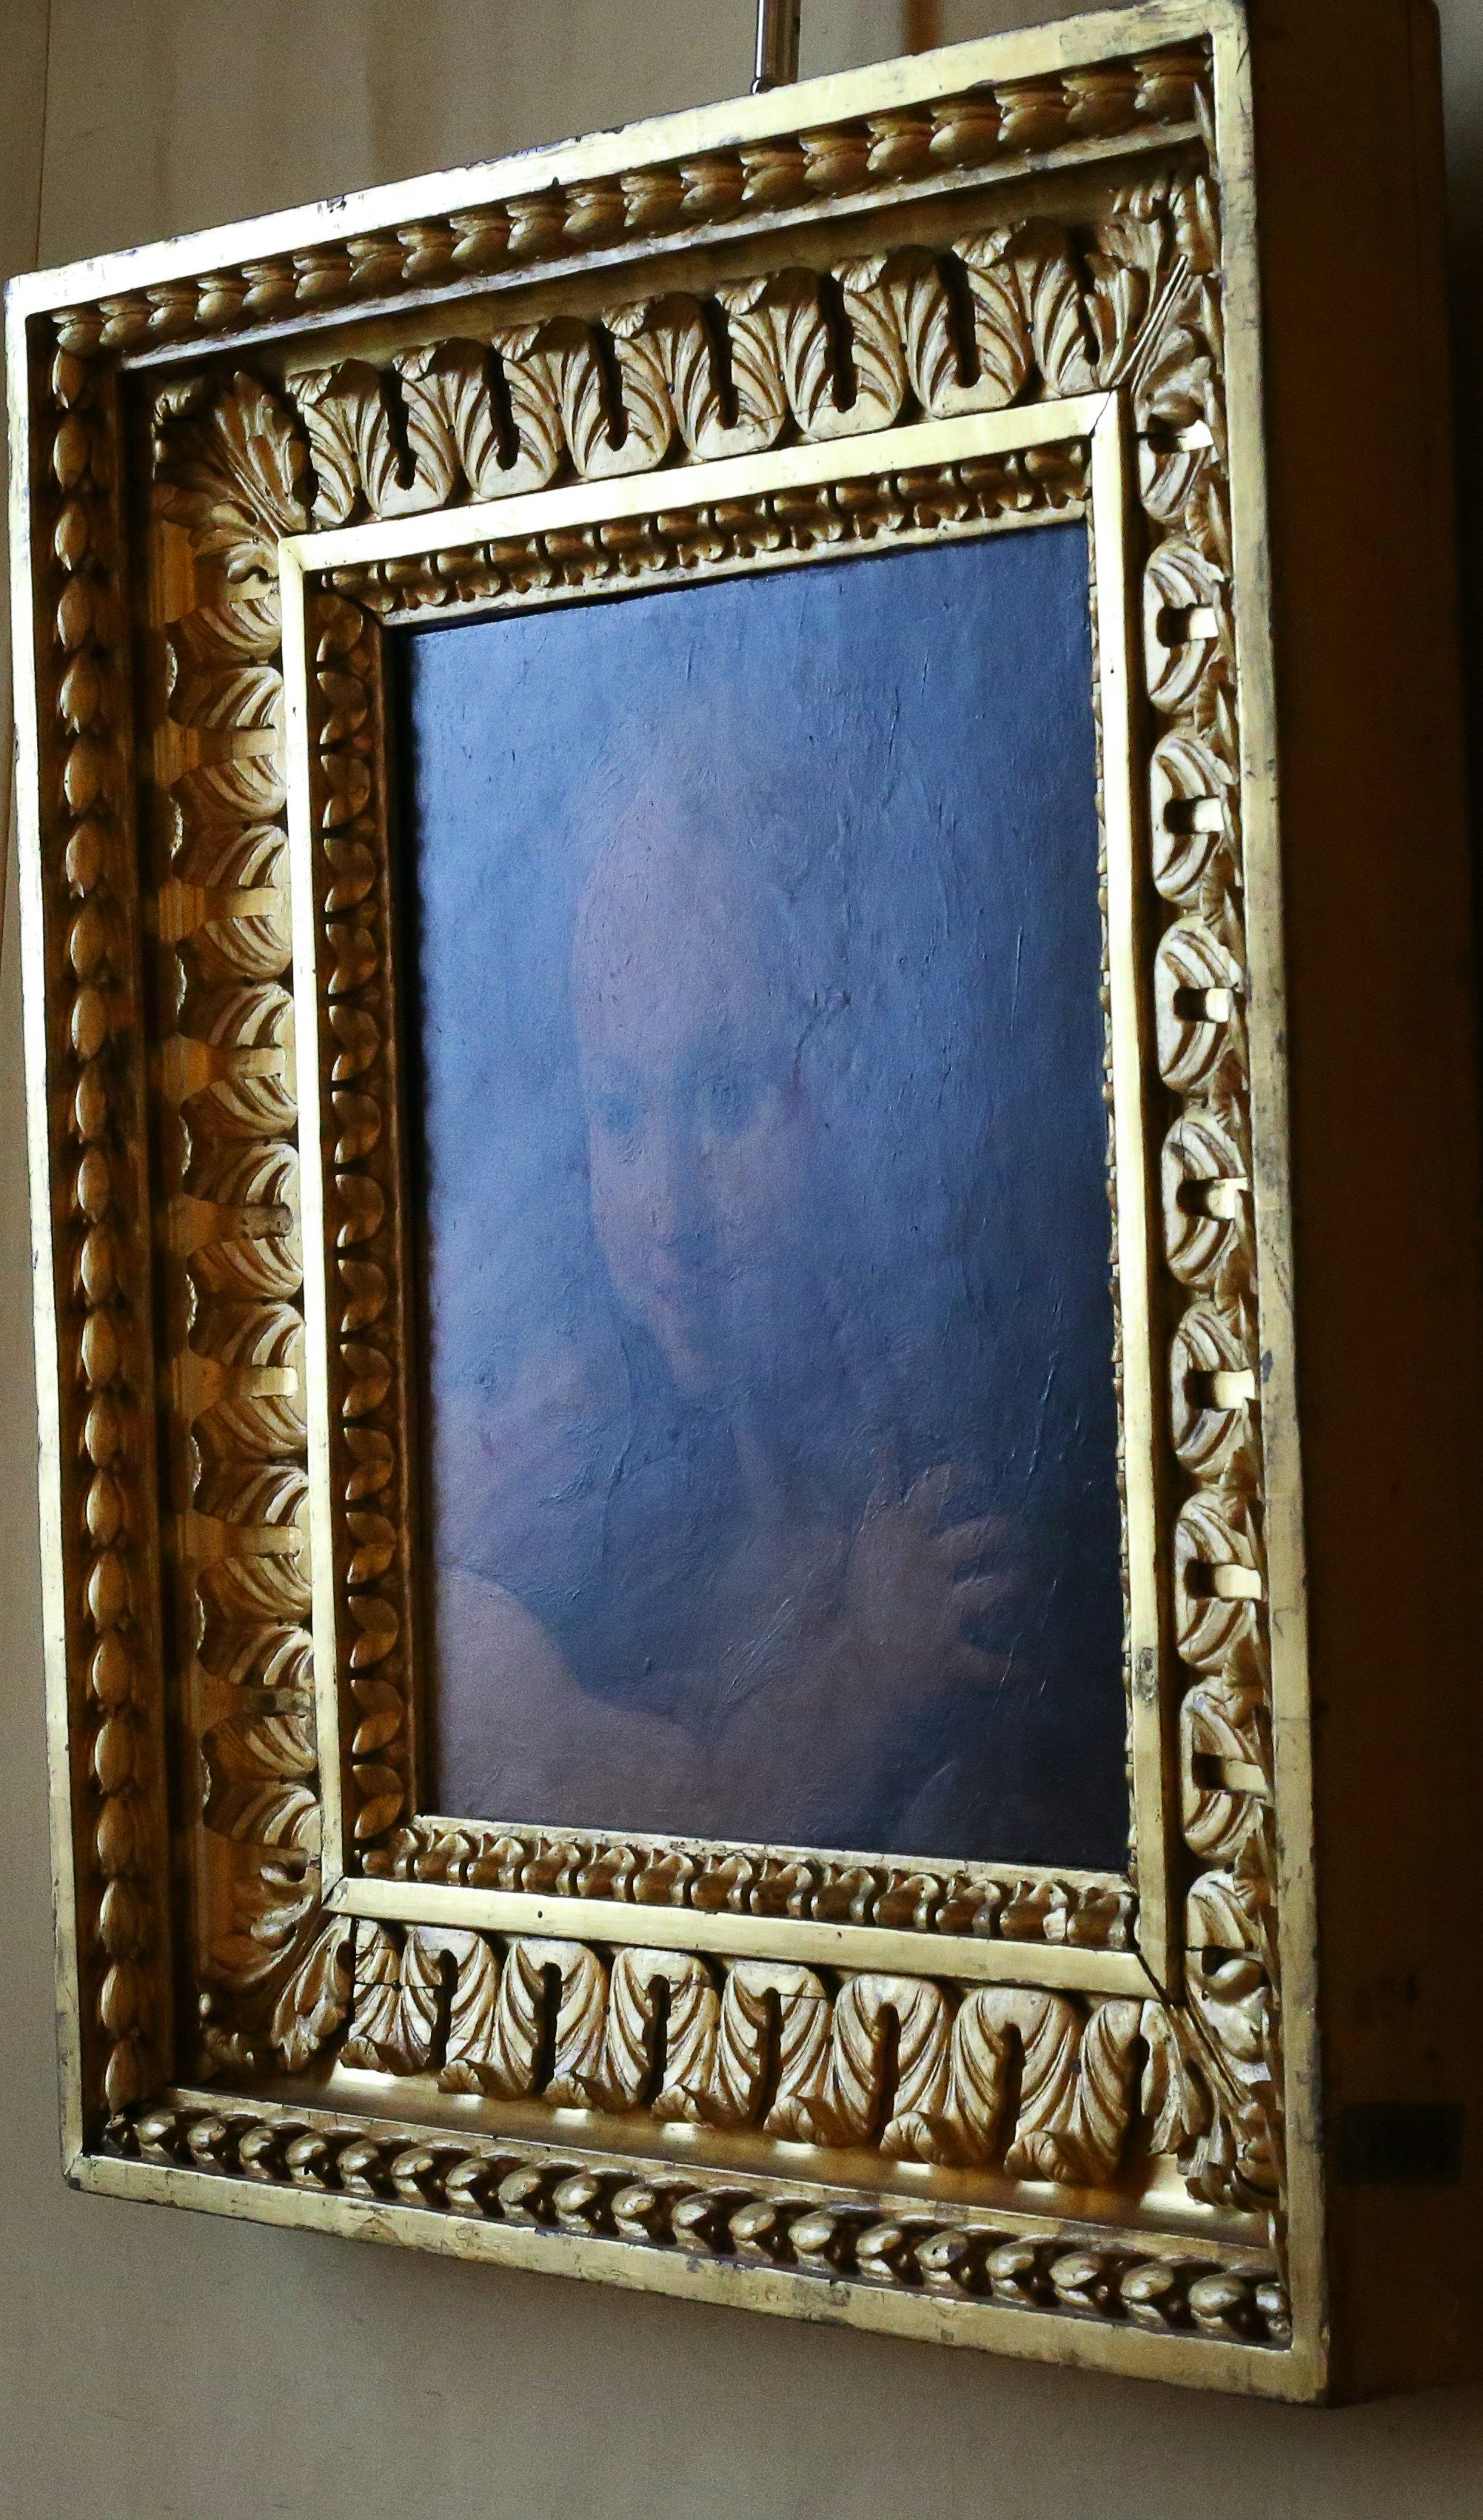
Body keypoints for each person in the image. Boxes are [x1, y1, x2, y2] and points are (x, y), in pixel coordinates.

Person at [433, 703, 1072, 1856]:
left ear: (867, 1085)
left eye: (728, 1098)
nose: (668, 1213)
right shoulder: (598, 1543)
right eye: (619, 1114)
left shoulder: (960, 1543)